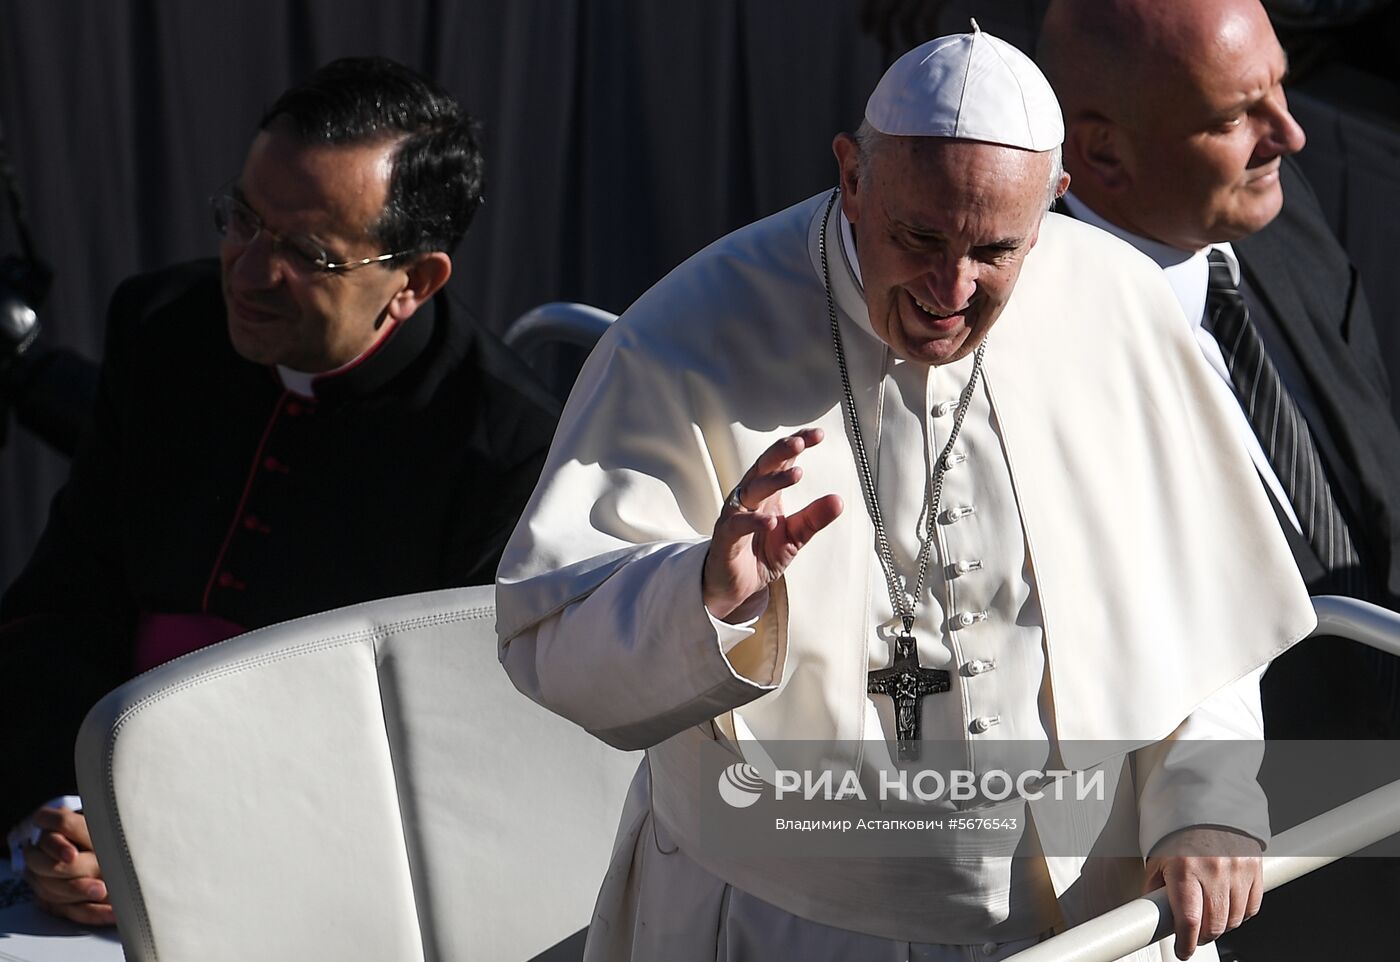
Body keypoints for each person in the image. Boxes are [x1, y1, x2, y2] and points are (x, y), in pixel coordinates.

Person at [497, 25, 1315, 962]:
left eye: (996, 251)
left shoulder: (1120, 306)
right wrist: (706, 598)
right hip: (796, 921)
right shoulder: (684, 336)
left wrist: (1206, 803)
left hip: (1103, 920)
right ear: (851, 175)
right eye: (919, 237)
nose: (950, 290)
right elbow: (549, 631)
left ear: (1055, 202)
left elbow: (1205, 608)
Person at [2, 56, 559, 925]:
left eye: (307, 254)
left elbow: (454, 757)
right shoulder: (160, 329)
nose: (250, 271)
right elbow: (68, 596)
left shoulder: (504, 449)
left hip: (313, 875)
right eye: (243, 220)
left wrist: (178, 838)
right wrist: (63, 812)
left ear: (413, 283)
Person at [1038, 0, 1400, 954]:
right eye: (1236, 115)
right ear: (1101, 152)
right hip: (1253, 851)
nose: (1290, 131)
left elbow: (1366, 461)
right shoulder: (1021, 344)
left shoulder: (1269, 213)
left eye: (1280, 85)